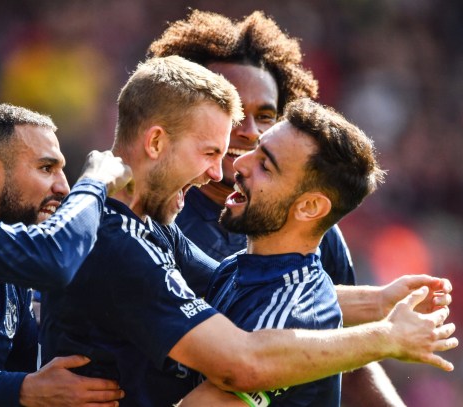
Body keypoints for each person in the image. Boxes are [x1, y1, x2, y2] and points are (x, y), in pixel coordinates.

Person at [40, 55, 457, 407]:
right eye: (213, 151)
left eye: (265, 163)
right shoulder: (204, 259)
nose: (229, 167)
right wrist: (382, 320)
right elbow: (240, 348)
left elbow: (242, 350)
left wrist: (382, 319)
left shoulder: (289, 315)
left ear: (311, 206)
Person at [149, 9, 402, 405]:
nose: (248, 130)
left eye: (265, 116)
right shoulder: (153, 215)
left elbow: (340, 354)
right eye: (230, 110)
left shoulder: (317, 236)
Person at [0, 103, 132, 407]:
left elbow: (30, 376)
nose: (64, 187)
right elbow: (54, 258)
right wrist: (94, 185)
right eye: (46, 168)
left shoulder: (13, 276)